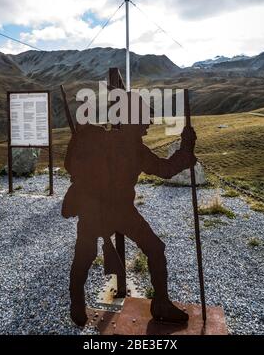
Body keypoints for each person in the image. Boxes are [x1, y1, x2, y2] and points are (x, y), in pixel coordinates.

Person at [62, 95, 197, 327]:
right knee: (155, 248)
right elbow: (165, 169)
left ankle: (76, 302)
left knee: (84, 255)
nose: (148, 124)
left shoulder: (94, 139)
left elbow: (68, 166)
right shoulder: (135, 149)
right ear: (131, 119)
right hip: (120, 211)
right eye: (145, 118)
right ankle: (161, 304)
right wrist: (186, 149)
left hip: (91, 208)